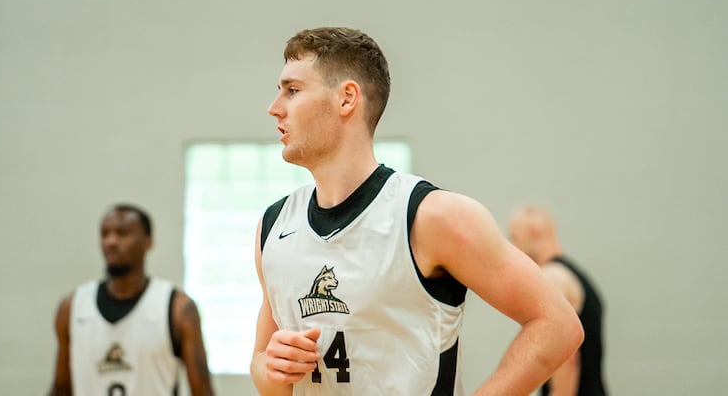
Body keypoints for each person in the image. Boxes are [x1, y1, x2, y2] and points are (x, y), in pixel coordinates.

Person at [249, 27, 584, 395]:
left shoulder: (431, 216)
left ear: (347, 99)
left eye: (292, 90)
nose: (274, 107)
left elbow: (557, 325)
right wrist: (272, 368)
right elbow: (264, 369)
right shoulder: (274, 225)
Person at [49, 203, 215, 396]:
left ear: (148, 241)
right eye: (105, 234)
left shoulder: (178, 308)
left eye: (122, 233)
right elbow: (61, 388)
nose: (111, 241)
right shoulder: (71, 307)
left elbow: (203, 391)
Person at [508, 205, 608, 396]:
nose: (513, 248)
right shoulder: (575, 275)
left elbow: (568, 357)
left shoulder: (552, 277)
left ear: (534, 232)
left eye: (514, 238)